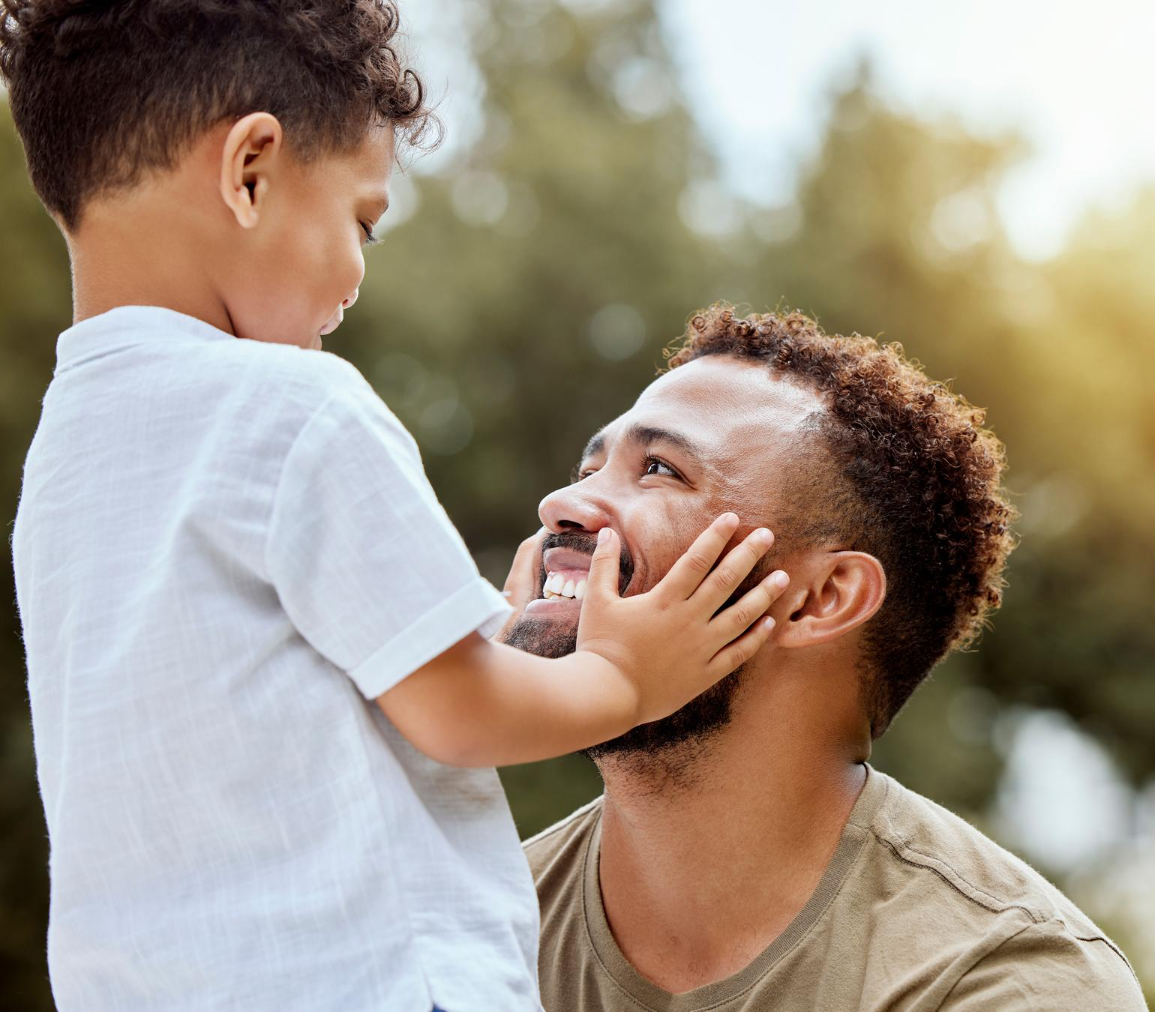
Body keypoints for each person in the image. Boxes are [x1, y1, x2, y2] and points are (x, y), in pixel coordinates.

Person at [1, 4, 786, 1010]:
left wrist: (485, 633)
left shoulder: (64, 466)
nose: (358, 274)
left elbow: (285, 701)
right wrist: (625, 676)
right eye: (360, 220)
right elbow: (461, 710)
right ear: (250, 169)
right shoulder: (295, 407)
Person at [517, 307, 1150, 1010]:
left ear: (822, 598)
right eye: (590, 467)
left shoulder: (1004, 981)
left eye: (660, 469)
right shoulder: (470, 921)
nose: (561, 504)